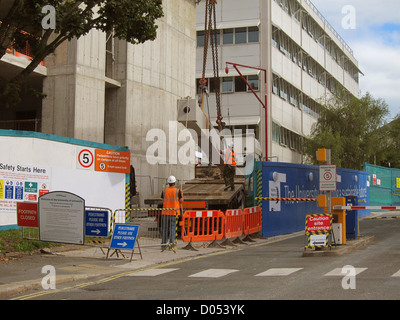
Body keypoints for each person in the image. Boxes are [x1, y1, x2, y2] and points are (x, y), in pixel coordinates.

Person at [160, 175, 183, 252]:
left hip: (165, 212)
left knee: (165, 229)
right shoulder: (178, 191)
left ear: (168, 183)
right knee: (172, 229)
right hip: (174, 213)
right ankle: (171, 245)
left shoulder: (164, 190)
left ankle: (163, 245)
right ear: (175, 182)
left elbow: (163, 199)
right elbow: (181, 201)